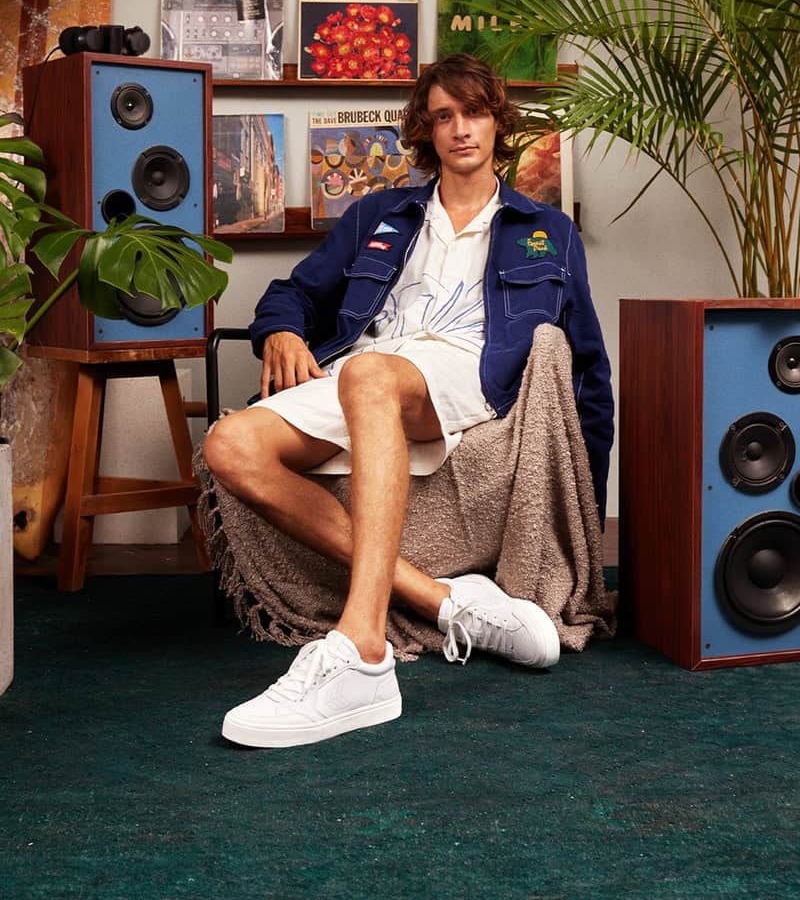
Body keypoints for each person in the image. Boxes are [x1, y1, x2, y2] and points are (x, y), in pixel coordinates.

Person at [203, 54, 613, 749]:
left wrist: (588, 521)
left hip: (463, 377)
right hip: (371, 371)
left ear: (497, 122)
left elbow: (589, 369)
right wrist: (278, 333)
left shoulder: (546, 230)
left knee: (370, 376)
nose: (460, 129)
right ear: (426, 130)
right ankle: (447, 600)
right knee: (229, 444)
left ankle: (361, 652)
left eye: (474, 112)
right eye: (444, 115)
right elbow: (294, 292)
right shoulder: (378, 215)